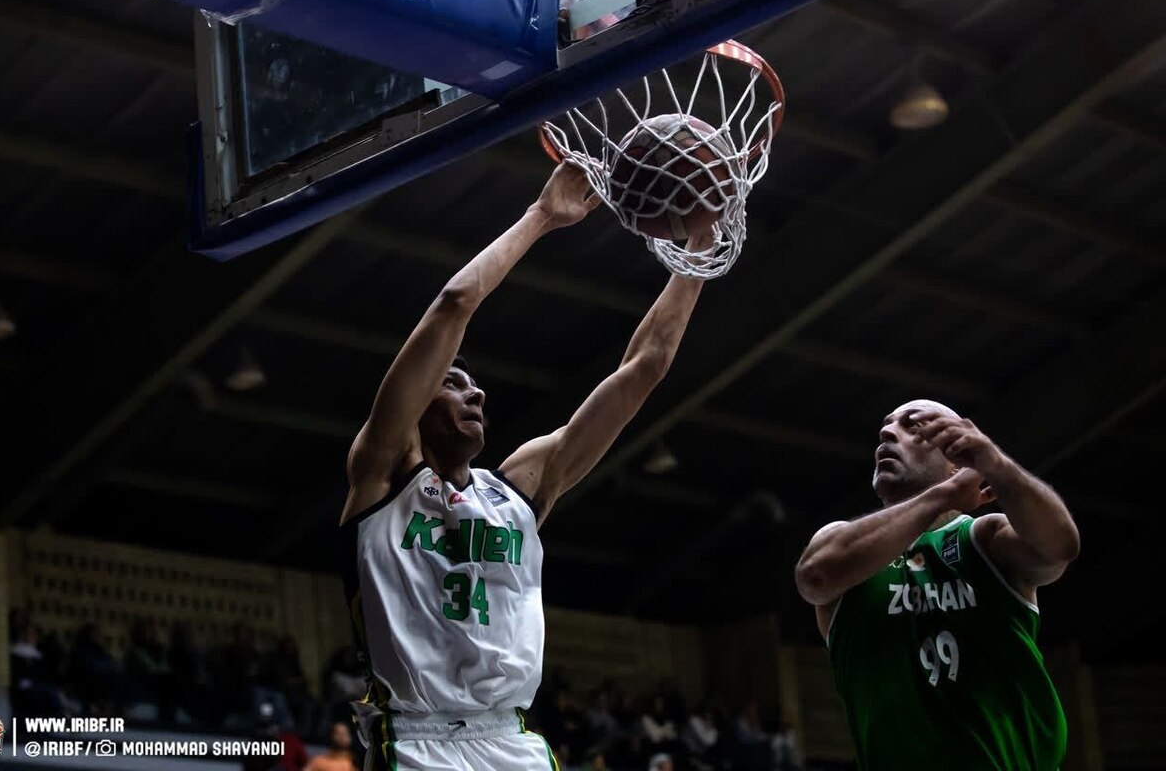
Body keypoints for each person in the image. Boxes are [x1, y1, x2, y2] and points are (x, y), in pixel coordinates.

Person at [337, 162, 710, 769]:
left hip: (514, 742)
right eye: (453, 384)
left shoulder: (519, 490)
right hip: (418, 740)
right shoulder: (382, 475)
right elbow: (454, 303)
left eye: (476, 387)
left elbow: (644, 367)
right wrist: (541, 218)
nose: (475, 395)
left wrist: (697, 249)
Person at [794, 399, 1081, 770]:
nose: (887, 432)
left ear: (957, 463)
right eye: (887, 425)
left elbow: (1061, 546)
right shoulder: (842, 545)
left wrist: (997, 464)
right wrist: (945, 495)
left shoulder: (984, 539)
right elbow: (815, 577)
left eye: (913, 426)